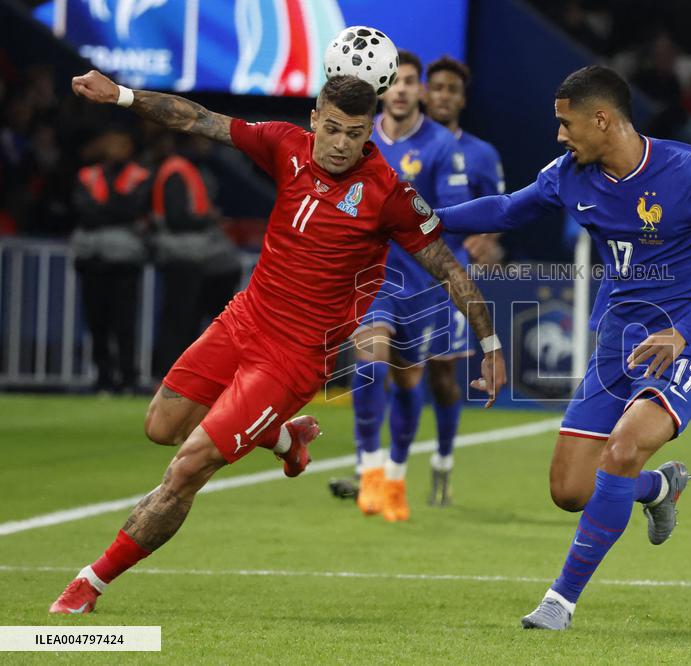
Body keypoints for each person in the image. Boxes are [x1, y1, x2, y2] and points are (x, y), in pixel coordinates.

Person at [49, 69, 506, 614]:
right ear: (314, 119)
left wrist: (492, 343)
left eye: (355, 134)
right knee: (160, 428)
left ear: (369, 134)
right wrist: (122, 95)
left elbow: (451, 271)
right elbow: (198, 118)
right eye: (332, 128)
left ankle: (90, 584)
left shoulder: (388, 195)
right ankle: (283, 438)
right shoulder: (285, 144)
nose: (340, 144)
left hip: (293, 359)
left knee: (187, 469)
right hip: (243, 319)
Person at [437, 65, 691, 629]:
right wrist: (423, 221)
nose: (559, 135)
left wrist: (685, 331)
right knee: (569, 490)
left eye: (566, 124)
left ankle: (559, 601)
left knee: (624, 447)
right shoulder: (570, 175)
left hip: (687, 340)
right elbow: (508, 210)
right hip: (619, 342)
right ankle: (659, 489)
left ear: (602, 119)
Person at [348, 50, 472, 521]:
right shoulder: (359, 138)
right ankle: (370, 468)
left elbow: (453, 221)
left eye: (409, 81)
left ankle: (397, 476)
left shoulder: (442, 146)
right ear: (382, 88)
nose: (400, 89)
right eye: (393, 81)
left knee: (408, 381)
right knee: (370, 363)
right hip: (371, 279)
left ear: (420, 90)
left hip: (421, 285)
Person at [422, 55, 506, 503]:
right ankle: (378, 470)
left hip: (451, 277)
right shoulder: (399, 143)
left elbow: (500, 209)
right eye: (437, 87)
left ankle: (443, 460)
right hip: (397, 274)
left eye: (452, 89)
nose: (444, 95)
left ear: (462, 98)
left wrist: (487, 239)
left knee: (440, 375)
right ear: (424, 92)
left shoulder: (480, 153)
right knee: (384, 366)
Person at [150, 135, 243, 378]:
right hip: (181, 255)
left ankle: (186, 376)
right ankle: (166, 376)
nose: (207, 147)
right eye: (201, 143)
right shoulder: (175, 170)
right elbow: (176, 219)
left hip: (195, 257)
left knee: (188, 319)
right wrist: (209, 218)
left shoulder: (187, 168)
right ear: (189, 143)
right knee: (178, 320)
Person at [70, 128, 151, 394]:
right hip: (93, 259)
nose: (116, 147)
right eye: (111, 142)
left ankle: (128, 377)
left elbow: (134, 210)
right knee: (97, 321)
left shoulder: (140, 175)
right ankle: (103, 377)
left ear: (130, 147)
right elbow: (84, 212)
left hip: (126, 259)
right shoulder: (87, 175)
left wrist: (106, 210)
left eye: (121, 142)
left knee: (125, 322)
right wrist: (117, 211)